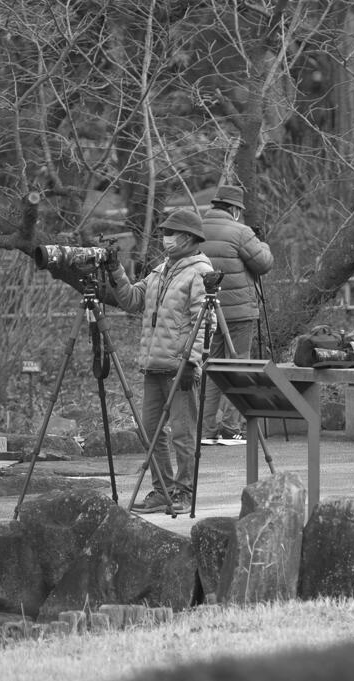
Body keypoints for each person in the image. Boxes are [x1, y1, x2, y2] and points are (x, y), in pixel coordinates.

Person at [107, 208, 215, 514]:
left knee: (183, 434)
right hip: (153, 365)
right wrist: (115, 269)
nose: (166, 238)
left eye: (172, 234)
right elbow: (131, 300)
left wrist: (192, 362)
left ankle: (184, 492)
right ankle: (163, 489)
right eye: (165, 233)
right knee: (151, 431)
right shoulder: (160, 271)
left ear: (190, 238)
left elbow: (206, 322)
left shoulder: (200, 272)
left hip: (179, 368)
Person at [198, 184, 274, 446]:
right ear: (234, 209)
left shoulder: (196, 229)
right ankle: (232, 427)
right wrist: (261, 242)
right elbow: (263, 263)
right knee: (239, 365)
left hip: (207, 311)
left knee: (214, 367)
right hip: (239, 311)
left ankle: (206, 429)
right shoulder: (241, 232)